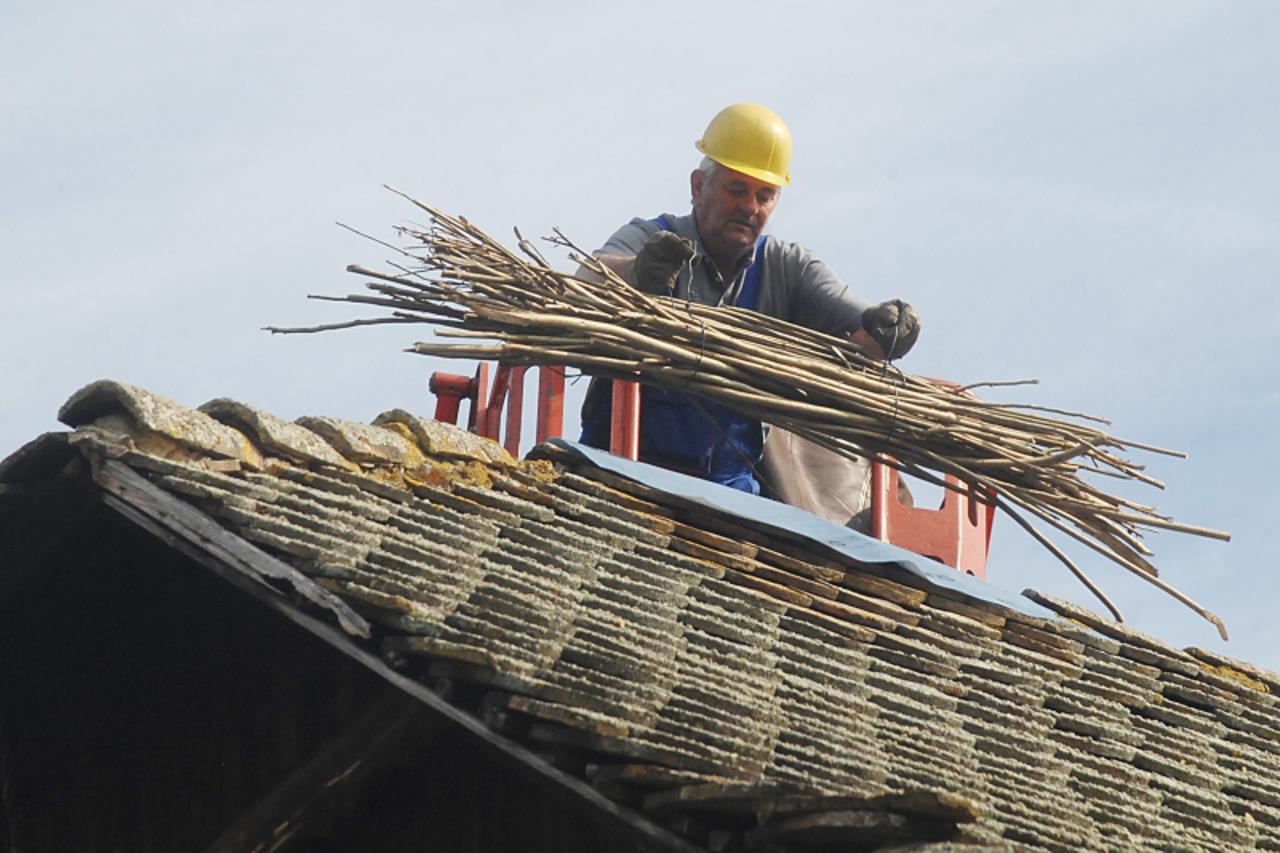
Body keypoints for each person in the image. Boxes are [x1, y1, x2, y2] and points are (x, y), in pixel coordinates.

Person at [579, 103, 919, 513]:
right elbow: (586, 281)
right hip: (617, 471)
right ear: (698, 187)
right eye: (736, 189)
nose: (750, 207)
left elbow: (861, 330)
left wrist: (888, 330)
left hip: (730, 500)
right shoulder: (653, 238)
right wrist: (636, 272)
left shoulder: (788, 269)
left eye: (764, 196)